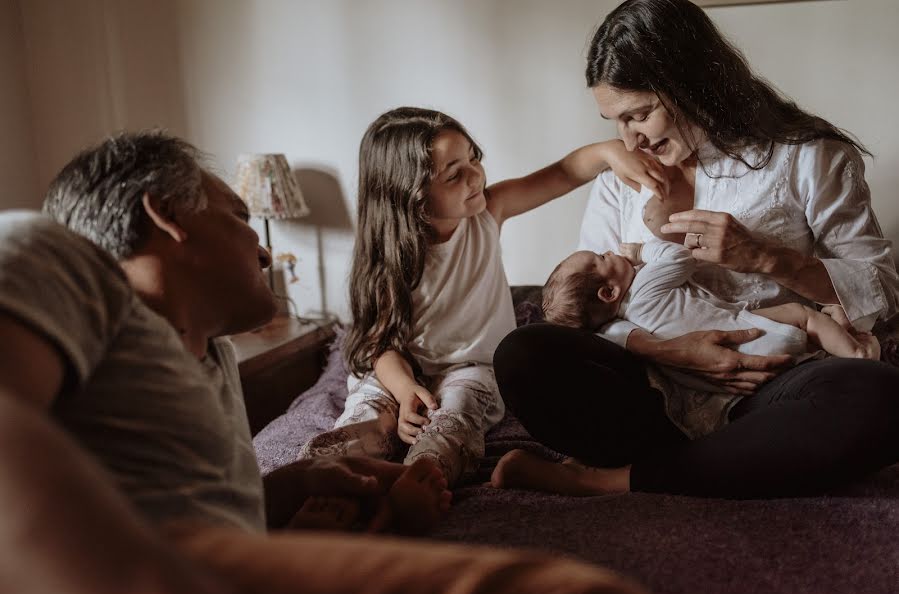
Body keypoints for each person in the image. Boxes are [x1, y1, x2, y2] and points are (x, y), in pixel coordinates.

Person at [0, 131, 648, 594]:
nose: (261, 248)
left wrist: (299, 486)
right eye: (239, 218)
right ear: (166, 218)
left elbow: (188, 510)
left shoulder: (211, 355)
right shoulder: (42, 255)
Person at [491, 0, 899, 500]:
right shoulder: (622, 178)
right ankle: (718, 464)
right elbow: (592, 308)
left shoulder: (807, 157)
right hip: (651, 390)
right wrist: (662, 349)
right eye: (615, 120)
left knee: (879, 397)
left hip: (763, 383)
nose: (628, 139)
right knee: (523, 353)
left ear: (690, 83)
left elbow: (879, 287)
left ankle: (612, 480)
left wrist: (768, 258)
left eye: (640, 114)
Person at [298, 106, 668, 488]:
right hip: (399, 370)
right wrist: (405, 390)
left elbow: (565, 172)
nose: (476, 176)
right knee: (370, 409)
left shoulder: (490, 211)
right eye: (455, 174)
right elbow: (380, 345)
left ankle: (421, 478)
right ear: (411, 195)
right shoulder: (388, 254)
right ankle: (333, 471)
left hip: (469, 368)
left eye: (473, 158)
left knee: (453, 417)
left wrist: (609, 151)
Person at [542, 239, 879, 405]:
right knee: (804, 315)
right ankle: (858, 355)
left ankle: (829, 357)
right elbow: (680, 256)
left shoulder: (623, 328)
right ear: (609, 292)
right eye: (602, 258)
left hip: (735, 381)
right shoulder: (645, 288)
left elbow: (613, 334)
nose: (610, 251)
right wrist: (642, 251)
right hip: (755, 333)